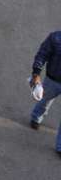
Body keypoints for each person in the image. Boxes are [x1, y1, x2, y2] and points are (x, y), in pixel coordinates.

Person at [30, 28, 61, 158]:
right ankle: (36, 117)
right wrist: (36, 73)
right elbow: (42, 54)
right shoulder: (55, 38)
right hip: (53, 80)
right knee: (44, 100)